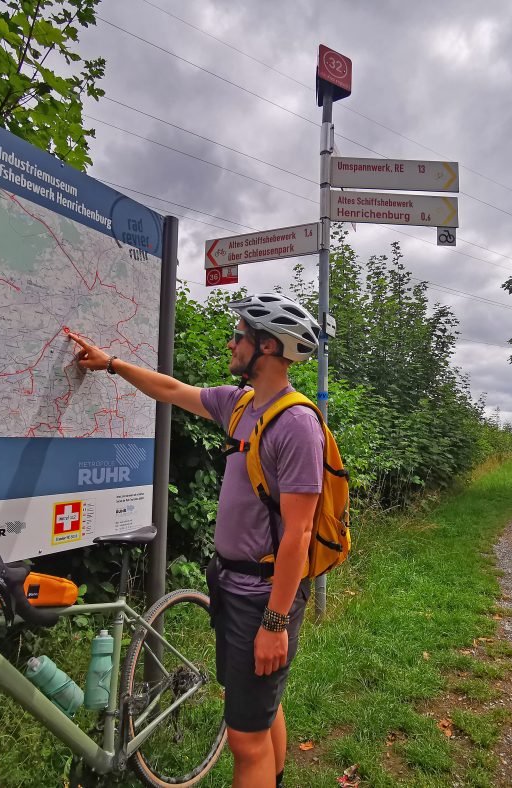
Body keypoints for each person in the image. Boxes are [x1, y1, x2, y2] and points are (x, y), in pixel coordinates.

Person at [68, 292, 323, 788]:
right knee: (262, 709)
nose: (230, 343)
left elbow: (300, 533)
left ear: (267, 347)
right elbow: (170, 389)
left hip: (263, 598)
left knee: (244, 738)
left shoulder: (297, 425)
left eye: (239, 336)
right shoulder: (240, 405)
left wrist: (275, 621)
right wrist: (111, 364)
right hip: (232, 584)